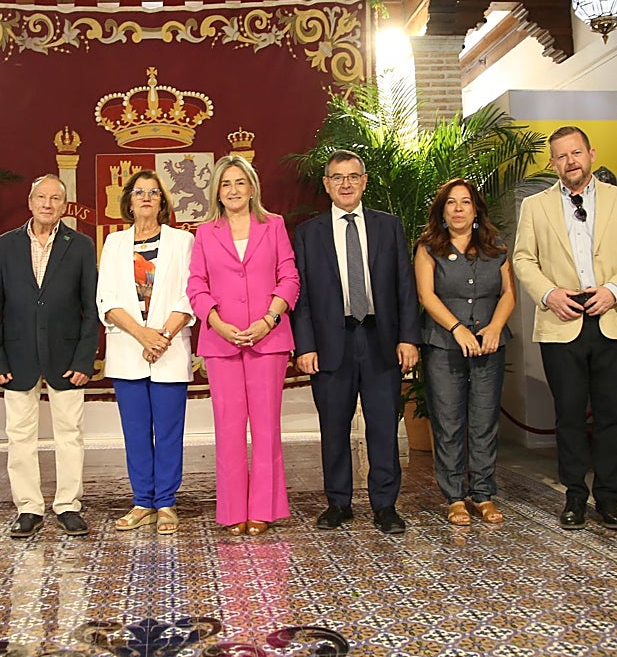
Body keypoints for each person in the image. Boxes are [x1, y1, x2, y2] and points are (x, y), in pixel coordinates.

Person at [513, 126, 617, 531]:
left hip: (613, 319)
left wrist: (614, 290)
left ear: (590, 153)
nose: (570, 161)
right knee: (569, 415)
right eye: (561, 156)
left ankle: (608, 499)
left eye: (576, 153)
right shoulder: (535, 207)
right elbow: (523, 260)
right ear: (552, 163)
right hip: (562, 322)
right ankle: (574, 497)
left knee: (610, 415)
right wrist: (549, 294)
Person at [291, 149, 421, 535]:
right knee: (334, 427)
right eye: (337, 177)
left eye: (352, 177)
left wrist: (409, 338)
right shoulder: (308, 233)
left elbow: (405, 287)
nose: (345, 184)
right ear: (327, 185)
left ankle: (385, 506)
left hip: (380, 338)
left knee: (383, 425)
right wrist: (305, 345)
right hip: (332, 343)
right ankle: (338, 502)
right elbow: (302, 298)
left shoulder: (388, 226)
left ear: (364, 182)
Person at [187, 155, 299, 536]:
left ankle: (263, 509)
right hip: (221, 343)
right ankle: (233, 510)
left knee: (266, 427)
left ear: (252, 187)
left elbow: (289, 277)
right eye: (225, 184)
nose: (233, 190)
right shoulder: (204, 233)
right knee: (228, 428)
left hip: (269, 340)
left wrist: (268, 319)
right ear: (216, 192)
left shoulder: (274, 226)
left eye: (239, 182)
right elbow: (196, 287)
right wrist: (217, 323)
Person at [0, 174, 98, 538]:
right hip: (17, 356)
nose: (48, 204)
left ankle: (68, 505)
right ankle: (28, 508)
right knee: (19, 434)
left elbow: (90, 308)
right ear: (30, 201)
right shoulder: (5, 245)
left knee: (70, 433)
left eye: (55, 199)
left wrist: (84, 360)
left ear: (63, 206)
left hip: (66, 356)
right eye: (41, 197)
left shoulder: (79, 245)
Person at [96, 170, 195, 535]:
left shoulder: (183, 242)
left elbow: (190, 295)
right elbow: (106, 300)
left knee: (169, 431)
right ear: (129, 200)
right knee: (136, 431)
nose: (146, 198)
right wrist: (142, 335)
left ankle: (166, 503)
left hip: (169, 351)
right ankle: (142, 501)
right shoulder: (114, 244)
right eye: (139, 192)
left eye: (153, 192)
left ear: (163, 201)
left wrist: (163, 336)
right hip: (128, 350)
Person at [414, 178, 516, 526]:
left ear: (476, 210)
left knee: (485, 420)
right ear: (442, 211)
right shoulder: (428, 248)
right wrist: (457, 329)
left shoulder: (495, 247)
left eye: (465, 202)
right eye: (451, 203)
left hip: (489, 344)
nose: (458, 209)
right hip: (444, 346)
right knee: (449, 422)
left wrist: (495, 327)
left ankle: (483, 494)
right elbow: (427, 296)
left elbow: (508, 294)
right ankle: (455, 497)